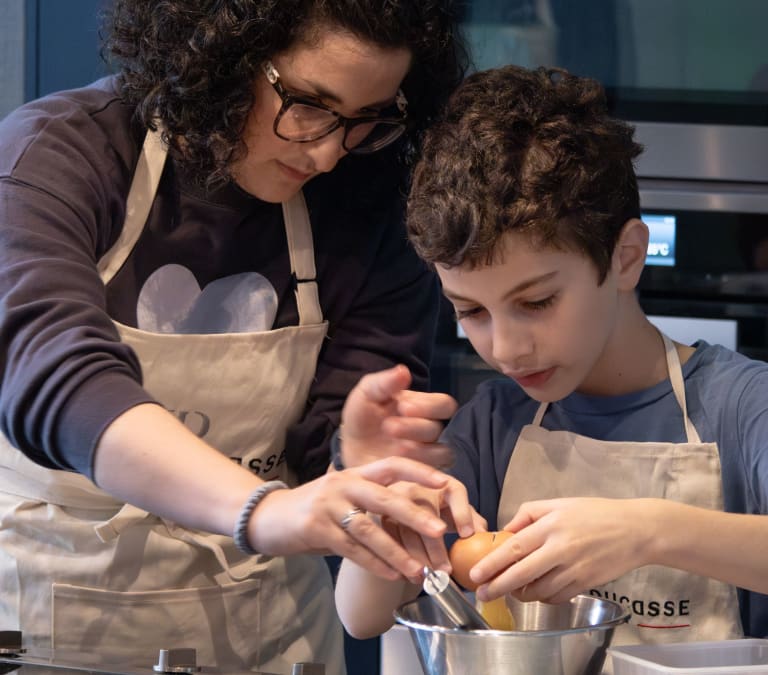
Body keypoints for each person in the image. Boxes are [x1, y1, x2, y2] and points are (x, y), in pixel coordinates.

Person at [333, 65, 768, 661]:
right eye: (471, 312)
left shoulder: (740, 401)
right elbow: (361, 617)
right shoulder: (494, 422)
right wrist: (377, 499)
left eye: (537, 301)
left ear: (625, 259)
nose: (505, 348)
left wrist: (648, 531)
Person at [0, 1, 475, 673]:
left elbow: (326, 460)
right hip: (48, 631)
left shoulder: (368, 210)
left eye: (367, 118)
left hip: (269, 640)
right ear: (219, 56)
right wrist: (262, 510)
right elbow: (58, 378)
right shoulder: (56, 156)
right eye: (309, 104)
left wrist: (356, 461)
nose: (329, 151)